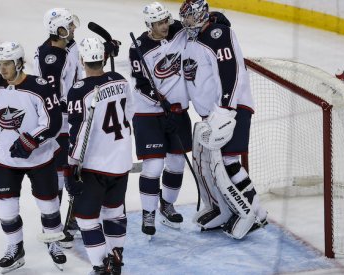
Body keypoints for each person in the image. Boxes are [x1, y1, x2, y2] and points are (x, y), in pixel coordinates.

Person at [0, 41, 66, 273]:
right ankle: (15, 248)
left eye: (7, 64)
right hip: (6, 160)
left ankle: (53, 243)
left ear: (20, 63)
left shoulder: (38, 87)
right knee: (6, 210)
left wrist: (30, 141)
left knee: (49, 205)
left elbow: (52, 122)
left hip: (39, 159)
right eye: (0, 64)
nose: (3, 69)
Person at [179, 0, 268, 239]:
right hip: (215, 113)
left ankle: (257, 212)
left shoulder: (218, 34)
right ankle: (226, 210)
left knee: (229, 161)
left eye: (188, 17)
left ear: (199, 15)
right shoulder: (195, 39)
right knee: (212, 163)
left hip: (233, 109)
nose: (184, 22)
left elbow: (231, 72)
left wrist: (227, 109)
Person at [67, 37, 133, 275]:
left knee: (86, 219)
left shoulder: (79, 91)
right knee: (114, 212)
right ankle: (116, 259)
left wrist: (70, 168)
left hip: (95, 164)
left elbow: (78, 132)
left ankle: (100, 266)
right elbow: (130, 112)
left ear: (82, 59)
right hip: (122, 160)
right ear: (104, 57)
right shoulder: (121, 80)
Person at [129, 1, 192, 238]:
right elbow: (141, 83)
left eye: (166, 20)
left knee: (177, 163)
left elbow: (196, 23)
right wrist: (159, 100)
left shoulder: (178, 30)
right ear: (149, 25)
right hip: (148, 113)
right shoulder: (139, 47)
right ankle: (148, 213)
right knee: (154, 165)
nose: (164, 26)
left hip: (177, 111)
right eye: (159, 23)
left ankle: (167, 204)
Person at [34, 7, 83, 247]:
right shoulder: (52, 58)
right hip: (59, 123)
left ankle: (68, 220)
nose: (73, 29)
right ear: (58, 30)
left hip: (66, 120)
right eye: (69, 26)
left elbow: (77, 71)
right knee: (59, 174)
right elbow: (55, 96)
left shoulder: (63, 48)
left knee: (69, 170)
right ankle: (54, 226)